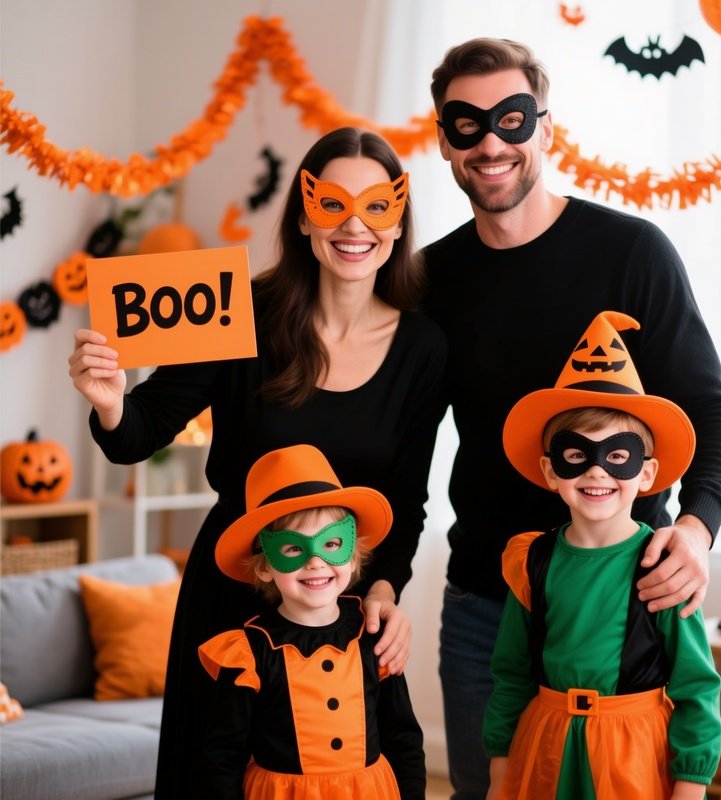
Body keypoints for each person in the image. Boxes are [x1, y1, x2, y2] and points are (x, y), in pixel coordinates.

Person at [68, 127, 447, 798]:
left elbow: (407, 501)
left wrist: (383, 593)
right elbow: (136, 434)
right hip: (233, 589)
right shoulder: (237, 311)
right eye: (332, 204)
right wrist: (108, 402)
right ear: (303, 216)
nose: (354, 225)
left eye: (376, 207)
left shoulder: (423, 347)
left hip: (340, 601)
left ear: (398, 220)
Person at [422, 38, 721, 799]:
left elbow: (714, 411)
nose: (491, 142)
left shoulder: (633, 253)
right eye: (466, 124)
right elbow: (396, 438)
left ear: (546, 128)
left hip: (622, 601)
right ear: (443, 139)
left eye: (511, 118)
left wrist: (696, 530)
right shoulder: (433, 279)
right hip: (486, 605)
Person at [484, 310, 721, 800]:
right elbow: (510, 674)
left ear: (648, 474)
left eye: (618, 457)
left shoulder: (664, 568)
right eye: (576, 456)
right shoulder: (532, 563)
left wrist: (691, 786)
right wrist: (500, 770)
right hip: (544, 749)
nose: (596, 473)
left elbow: (696, 687)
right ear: (551, 473)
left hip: (631, 757)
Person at [197, 444, 426, 799]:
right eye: (292, 548)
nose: (316, 562)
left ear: (353, 558)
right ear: (264, 567)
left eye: (332, 543)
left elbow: (403, 737)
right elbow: (223, 756)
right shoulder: (248, 654)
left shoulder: (373, 635)